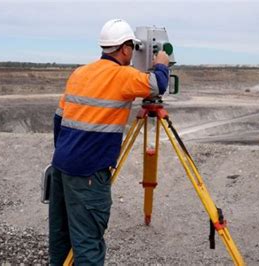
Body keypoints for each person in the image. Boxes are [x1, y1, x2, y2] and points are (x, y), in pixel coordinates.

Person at [49, 18, 170, 265]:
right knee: (87, 244)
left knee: (61, 238)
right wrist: (162, 64)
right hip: (89, 173)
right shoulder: (123, 75)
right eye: (132, 48)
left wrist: (67, 152)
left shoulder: (80, 73)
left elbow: (58, 120)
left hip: (61, 166)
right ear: (125, 48)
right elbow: (158, 84)